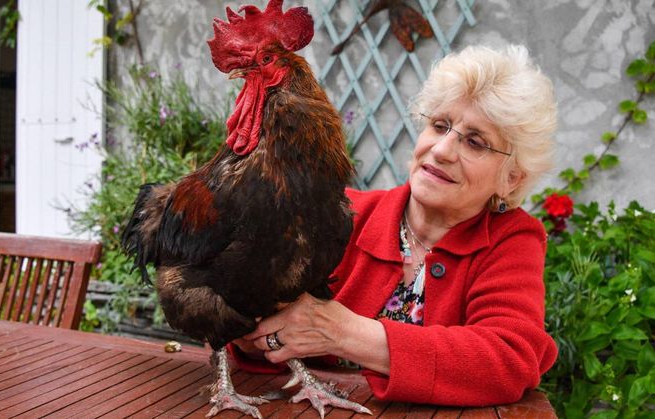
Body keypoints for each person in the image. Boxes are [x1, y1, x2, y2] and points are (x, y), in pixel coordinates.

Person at [229, 44, 559, 406]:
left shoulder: (510, 239)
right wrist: (259, 335)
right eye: (439, 126)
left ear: (511, 179)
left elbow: (508, 360)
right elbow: (266, 331)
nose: (442, 150)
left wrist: (343, 333)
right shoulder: (340, 214)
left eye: (475, 142)